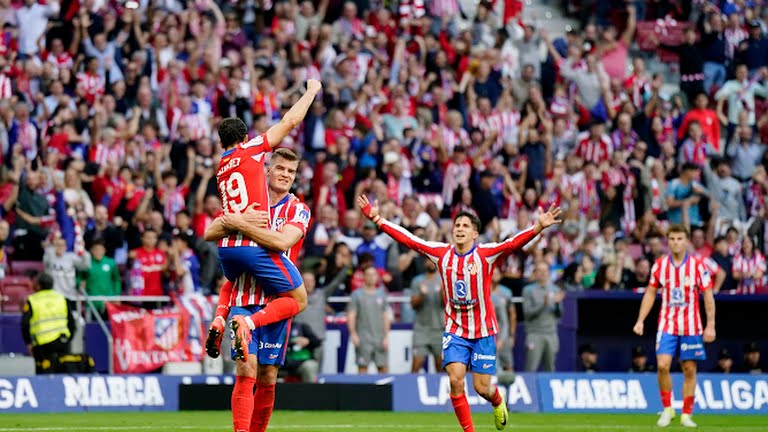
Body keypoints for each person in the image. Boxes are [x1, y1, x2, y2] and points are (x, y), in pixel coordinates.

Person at [358, 195, 562, 432]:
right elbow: (410, 239)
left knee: (482, 388)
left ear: (475, 234)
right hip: (455, 329)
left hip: (483, 331)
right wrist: (377, 218)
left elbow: (512, 244)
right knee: (455, 380)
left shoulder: (485, 254)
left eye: (465, 226)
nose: (460, 229)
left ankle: (497, 401)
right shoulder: (441, 253)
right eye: (457, 225)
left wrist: (537, 227)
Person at [203, 147, 313, 432]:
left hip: (277, 301)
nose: (286, 175)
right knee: (245, 369)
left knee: (267, 376)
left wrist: (241, 225)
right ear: (267, 170)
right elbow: (211, 230)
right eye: (280, 169)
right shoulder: (247, 202)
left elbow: (282, 241)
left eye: (291, 171)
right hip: (244, 295)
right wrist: (235, 220)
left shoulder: (298, 209)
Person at [633, 224, 716, 428]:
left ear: (686, 241)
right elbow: (651, 293)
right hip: (667, 323)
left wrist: (710, 324)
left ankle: (687, 414)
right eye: (672, 239)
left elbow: (708, 295)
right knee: (662, 365)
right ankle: (668, 409)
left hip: (691, 325)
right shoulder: (660, 265)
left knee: (689, 369)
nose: (676, 242)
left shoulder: (697, 266)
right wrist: (640, 320)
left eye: (679, 239)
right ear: (667, 241)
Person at [20, 273, 75, 374]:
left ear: (38, 285)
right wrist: (68, 339)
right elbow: (71, 322)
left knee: (44, 374)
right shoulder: (62, 298)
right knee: (63, 372)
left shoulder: (32, 300)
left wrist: (28, 343)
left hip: (43, 345)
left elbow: (24, 323)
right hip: (63, 342)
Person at [347, 266, 390, 374]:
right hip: (363, 338)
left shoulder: (382, 294)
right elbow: (351, 315)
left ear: (377, 277)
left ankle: (384, 391)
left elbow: (385, 317)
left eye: (374, 274)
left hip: (379, 338)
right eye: (368, 274)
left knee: (383, 368)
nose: (371, 277)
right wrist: (353, 333)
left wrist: (386, 337)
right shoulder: (357, 294)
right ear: (364, 277)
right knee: (362, 369)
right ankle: (362, 391)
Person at [523, 260, 564, 372]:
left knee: (550, 368)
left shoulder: (555, 289)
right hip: (535, 333)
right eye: (539, 271)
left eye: (545, 271)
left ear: (549, 273)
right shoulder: (528, 290)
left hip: (551, 334)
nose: (542, 273)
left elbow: (560, 314)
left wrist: (556, 304)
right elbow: (527, 314)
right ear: (535, 273)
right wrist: (543, 304)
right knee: (531, 368)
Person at [409, 260, 444, 373]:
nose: (431, 263)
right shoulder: (418, 281)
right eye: (428, 261)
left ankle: (441, 390)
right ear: (424, 263)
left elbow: (448, 305)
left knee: (440, 364)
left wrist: (442, 293)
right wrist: (422, 295)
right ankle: (410, 389)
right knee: (417, 362)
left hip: (440, 329)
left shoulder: (443, 280)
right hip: (421, 329)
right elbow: (413, 305)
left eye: (433, 261)